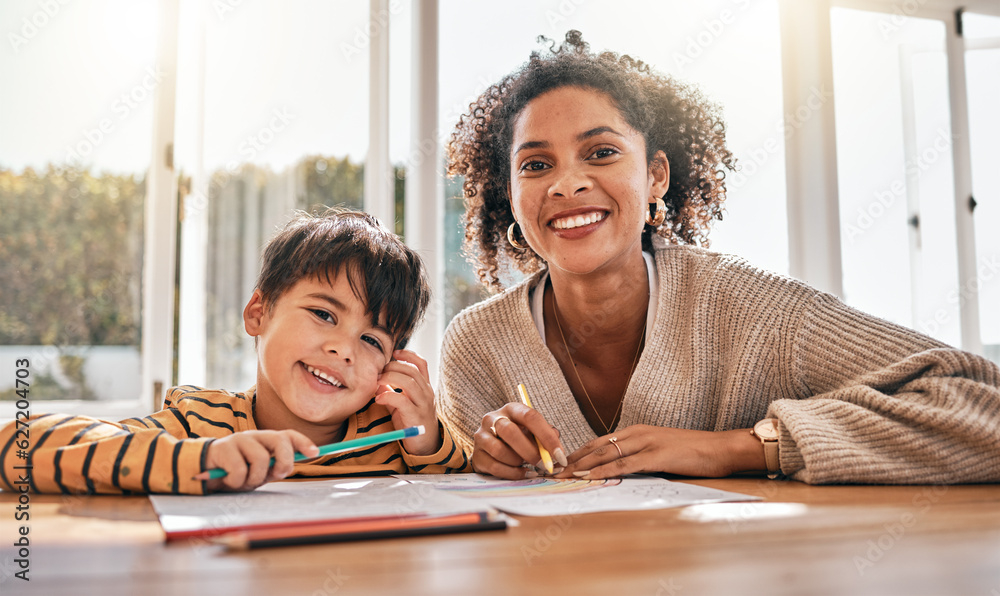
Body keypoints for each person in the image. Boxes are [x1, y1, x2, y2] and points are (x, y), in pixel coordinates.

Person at [438, 31, 1000, 485]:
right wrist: (476, 463)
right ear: (508, 195)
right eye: (536, 165)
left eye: (602, 152)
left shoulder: (754, 311)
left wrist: (743, 448)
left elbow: (981, 405)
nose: (567, 184)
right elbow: (464, 504)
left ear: (655, 176)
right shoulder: (476, 345)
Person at [1, 208, 470, 495]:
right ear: (258, 314)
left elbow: (463, 485)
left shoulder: (397, 441)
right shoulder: (197, 424)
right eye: (324, 315)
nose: (342, 349)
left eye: (371, 340)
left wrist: (425, 437)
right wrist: (199, 461)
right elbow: (17, 447)